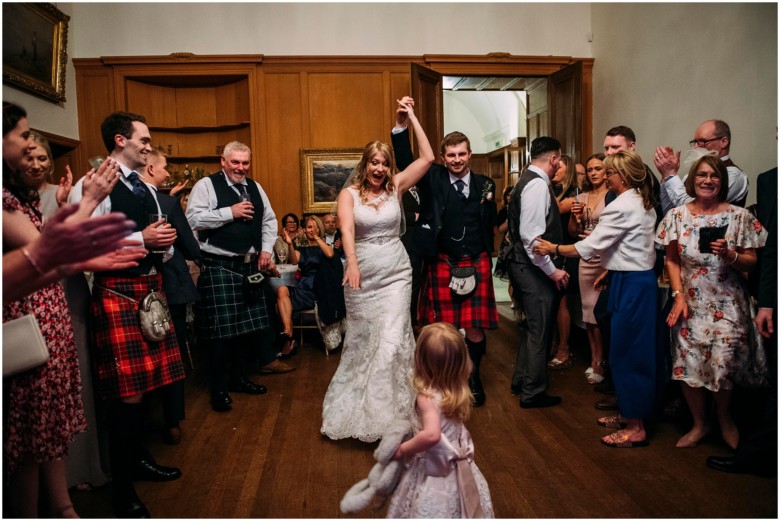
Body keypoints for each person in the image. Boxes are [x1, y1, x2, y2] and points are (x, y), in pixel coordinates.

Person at [68, 111, 186, 517]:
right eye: (144, 139)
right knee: (126, 395)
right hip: (117, 293)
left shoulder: (145, 188)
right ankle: (121, 490)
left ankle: (137, 461)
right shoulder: (94, 184)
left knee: (147, 385)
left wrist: (164, 244)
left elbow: (157, 238)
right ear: (120, 140)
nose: (149, 146)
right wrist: (143, 237)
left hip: (149, 290)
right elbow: (82, 241)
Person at [321, 97, 434, 441]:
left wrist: (412, 117)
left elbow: (428, 158)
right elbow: (347, 231)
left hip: (397, 274)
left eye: (385, 163)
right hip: (362, 276)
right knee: (362, 344)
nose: (380, 169)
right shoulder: (349, 195)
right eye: (374, 162)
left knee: (392, 341)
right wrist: (352, 263)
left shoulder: (397, 187)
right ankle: (359, 410)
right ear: (365, 164)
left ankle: (390, 415)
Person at [533, 150, 659, 447]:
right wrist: (610, 271)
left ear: (623, 176)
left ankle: (637, 428)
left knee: (631, 354)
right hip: (626, 277)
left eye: (610, 172)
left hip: (633, 284)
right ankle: (629, 414)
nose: (605, 176)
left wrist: (554, 247)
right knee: (620, 350)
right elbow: (628, 246)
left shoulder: (623, 206)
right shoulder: (641, 200)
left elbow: (589, 246)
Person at [657, 154, 767, 449]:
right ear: (692, 180)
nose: (708, 181)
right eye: (702, 175)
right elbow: (671, 259)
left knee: (723, 361)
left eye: (714, 176)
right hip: (689, 302)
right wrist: (678, 296)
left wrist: (730, 255)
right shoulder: (678, 216)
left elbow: (752, 261)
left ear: (722, 181)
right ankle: (699, 424)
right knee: (687, 363)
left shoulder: (739, 216)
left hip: (728, 302)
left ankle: (725, 419)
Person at [391, 108, 498, 408]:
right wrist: (402, 127)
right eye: (450, 155)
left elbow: (487, 224)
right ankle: (445, 379)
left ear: (470, 154)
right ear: (441, 156)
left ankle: (473, 377)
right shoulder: (432, 178)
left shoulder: (486, 185)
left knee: (475, 328)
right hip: (442, 260)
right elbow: (406, 161)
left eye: (461, 154)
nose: (456, 160)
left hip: (476, 261)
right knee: (445, 328)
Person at [187, 141, 294, 414]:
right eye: (235, 162)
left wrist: (266, 251)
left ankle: (238, 378)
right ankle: (219, 388)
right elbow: (193, 221)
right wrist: (229, 213)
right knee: (221, 333)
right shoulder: (206, 186)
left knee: (245, 329)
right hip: (219, 265)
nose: (240, 168)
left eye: (245, 163)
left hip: (249, 267)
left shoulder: (255, 187)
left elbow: (269, 221)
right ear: (223, 161)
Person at [707, 167, 777, 476]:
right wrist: (767, 302)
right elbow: (773, 250)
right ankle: (761, 453)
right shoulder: (770, 179)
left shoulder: (740, 214)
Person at [387, 322, 494, 518]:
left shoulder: (426, 396)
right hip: (459, 468)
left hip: (434, 470)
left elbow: (432, 434)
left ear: (421, 361)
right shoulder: (457, 389)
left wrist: (403, 449)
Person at [140, 148, 202, 445]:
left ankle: (144, 417)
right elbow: (191, 248)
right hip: (170, 288)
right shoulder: (167, 202)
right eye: (165, 168)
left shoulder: (118, 199)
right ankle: (172, 420)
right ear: (151, 169)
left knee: (143, 358)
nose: (168, 173)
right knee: (172, 355)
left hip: (135, 289)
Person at [506, 137, 569, 408]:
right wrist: (553, 271)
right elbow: (531, 238)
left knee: (533, 326)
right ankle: (532, 392)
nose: (560, 165)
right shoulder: (536, 184)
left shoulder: (528, 180)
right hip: (531, 267)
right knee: (540, 328)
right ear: (553, 159)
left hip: (524, 264)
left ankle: (522, 380)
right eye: (560, 160)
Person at [569, 153, 609, 384]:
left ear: (607, 171)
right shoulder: (582, 196)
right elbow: (574, 232)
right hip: (586, 257)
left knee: (600, 313)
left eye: (598, 168)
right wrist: (575, 218)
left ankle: (602, 361)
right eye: (590, 169)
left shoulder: (612, 196)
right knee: (588, 312)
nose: (593, 173)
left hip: (605, 259)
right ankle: (595, 358)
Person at [654, 119, 749, 215]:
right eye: (695, 142)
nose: (696, 147)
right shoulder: (689, 175)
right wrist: (666, 177)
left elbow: (696, 209)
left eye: (702, 141)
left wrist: (671, 175)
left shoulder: (734, 175)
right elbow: (669, 212)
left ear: (724, 142)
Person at [274, 215, 337, 355]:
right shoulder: (301, 249)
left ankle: (289, 341)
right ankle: (288, 332)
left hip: (319, 289)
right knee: (281, 290)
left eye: (315, 226)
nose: (312, 229)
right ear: (305, 230)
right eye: (309, 227)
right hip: (303, 287)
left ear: (319, 229)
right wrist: (290, 244)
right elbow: (294, 260)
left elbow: (330, 254)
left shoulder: (324, 246)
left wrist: (316, 238)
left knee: (279, 306)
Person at [547, 154, 579, 370]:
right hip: (550, 250)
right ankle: (554, 343)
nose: (555, 169)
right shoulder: (552, 191)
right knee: (552, 300)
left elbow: (552, 210)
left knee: (562, 300)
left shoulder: (575, 193)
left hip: (566, 250)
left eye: (559, 167)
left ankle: (564, 348)